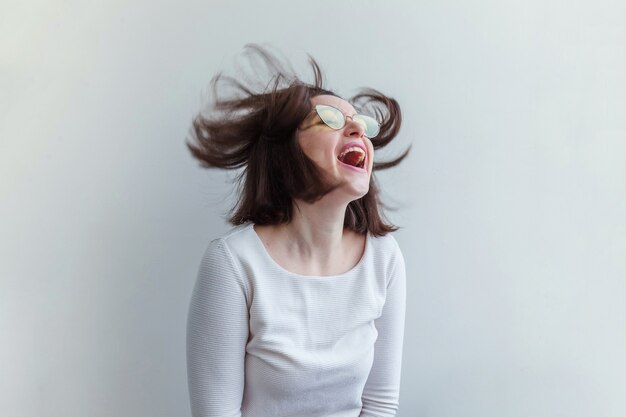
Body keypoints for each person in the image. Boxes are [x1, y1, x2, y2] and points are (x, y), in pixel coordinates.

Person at [185, 45, 410, 417]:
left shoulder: (384, 257)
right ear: (287, 152)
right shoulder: (233, 263)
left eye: (361, 124)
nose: (356, 128)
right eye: (330, 120)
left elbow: (380, 406)